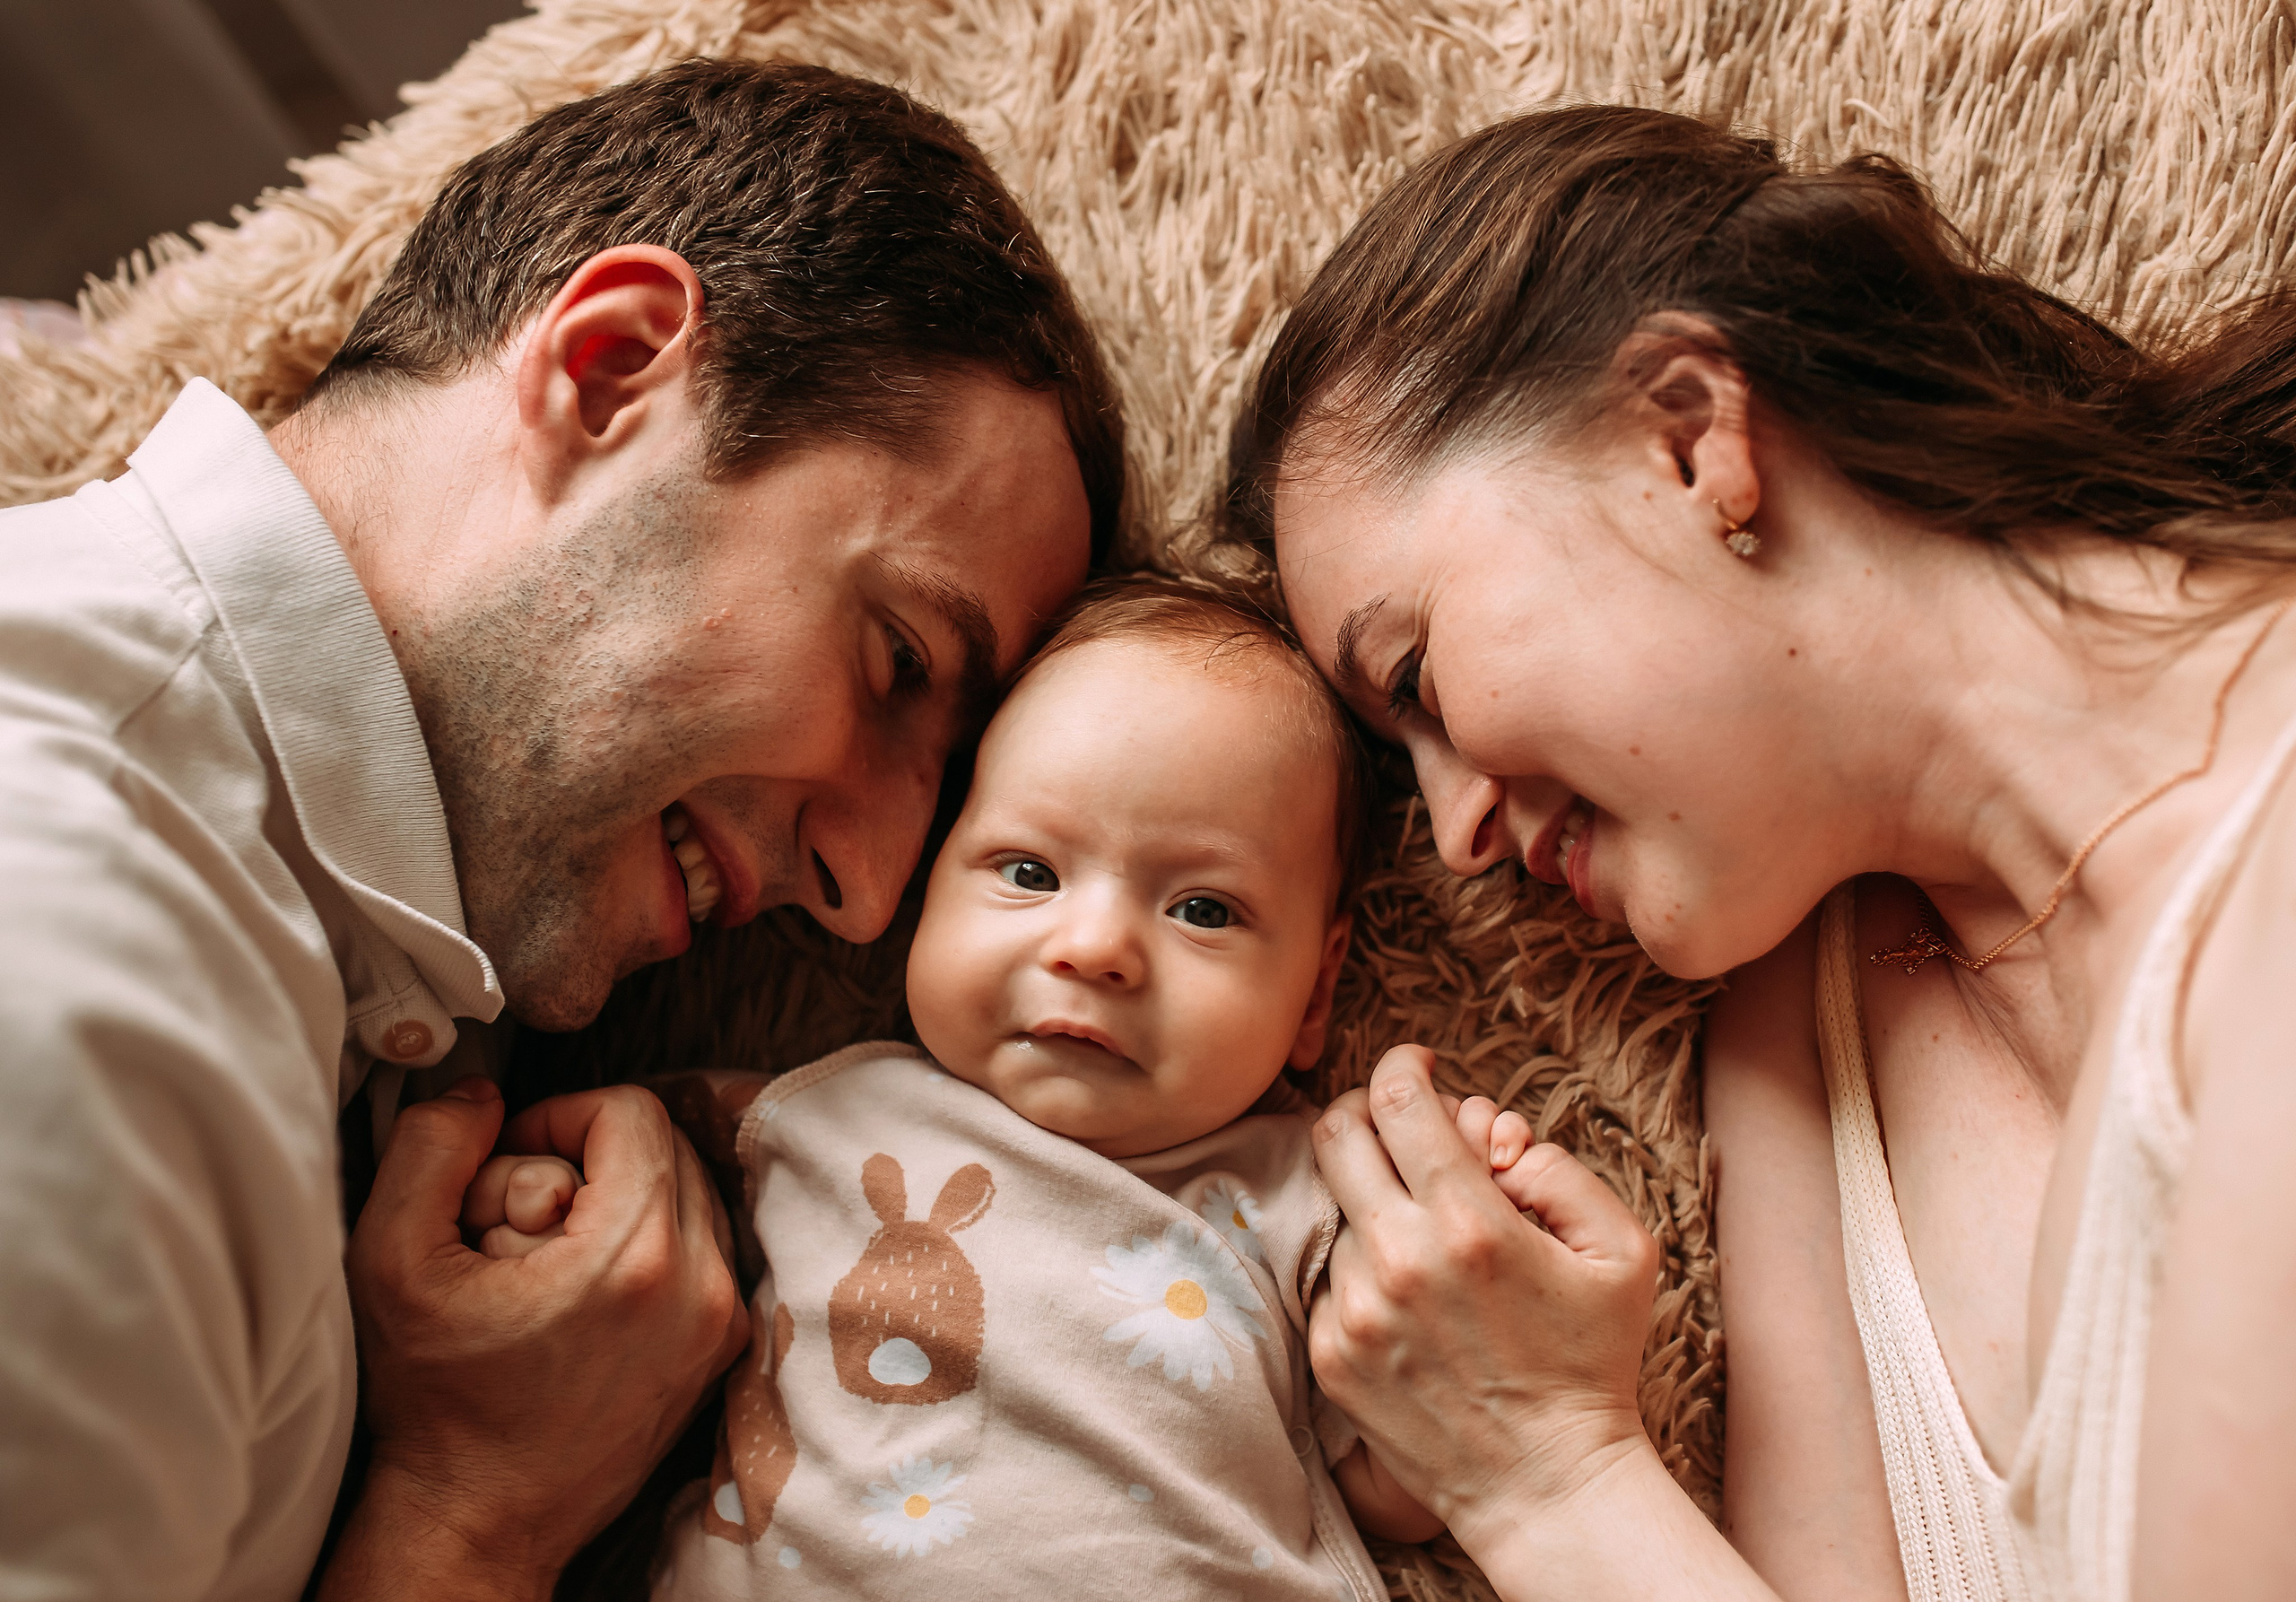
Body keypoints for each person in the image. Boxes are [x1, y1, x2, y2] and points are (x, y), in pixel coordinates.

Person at [0, 58, 1121, 1602]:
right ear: (609, 369)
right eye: (900, 662)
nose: (869, 899)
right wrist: (472, 1517)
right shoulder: (70, 943)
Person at [1226, 104, 2296, 1601]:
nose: (1458, 830)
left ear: (1690, 436)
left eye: (1415, 680)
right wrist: (1554, 1455)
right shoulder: (1806, 1025)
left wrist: (1542, 1480)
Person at [491, 579, 1533, 1598]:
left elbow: (1395, 1491)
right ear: (926, 886)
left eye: (1203, 910)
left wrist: (1492, 1256)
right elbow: (624, 1196)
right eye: (1029, 873)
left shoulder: (1305, 1199)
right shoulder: (819, 1113)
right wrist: (540, 1189)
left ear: (1316, 988)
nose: (1094, 948)